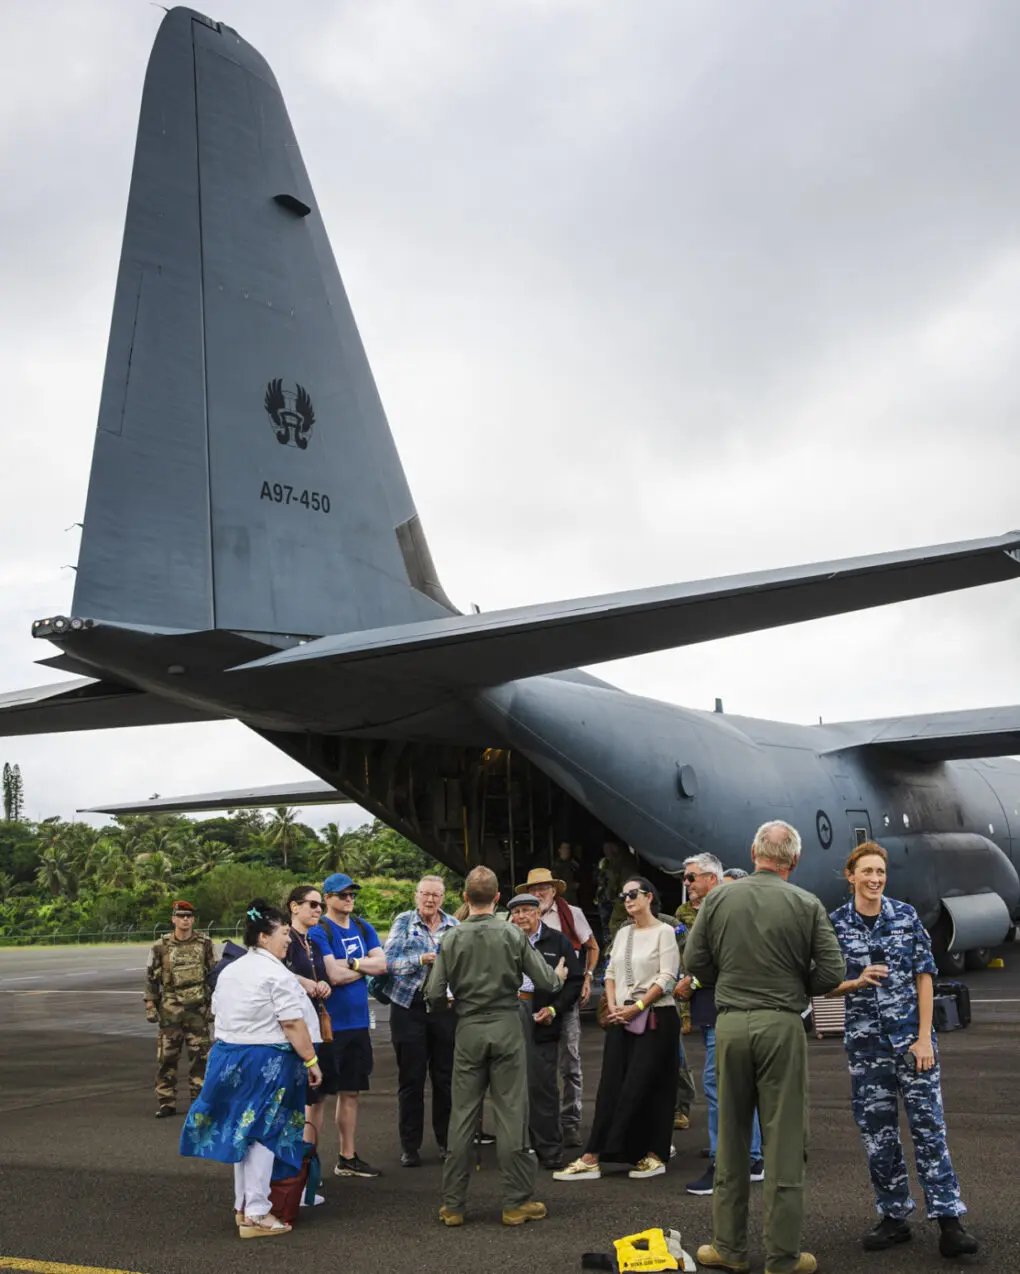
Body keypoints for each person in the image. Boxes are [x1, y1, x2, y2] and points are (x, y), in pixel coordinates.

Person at [684, 821, 846, 1274]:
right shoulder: (806, 903)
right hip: (781, 1023)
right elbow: (832, 973)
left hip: (731, 1022)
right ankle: (782, 1256)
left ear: (754, 850)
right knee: (784, 1140)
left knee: (732, 1135)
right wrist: (795, 983)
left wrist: (730, 979)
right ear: (794, 860)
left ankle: (728, 1248)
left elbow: (694, 962)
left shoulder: (717, 899)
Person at [827, 843, 978, 1260]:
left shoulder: (905, 917)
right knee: (879, 1136)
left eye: (880, 872)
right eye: (867, 871)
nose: (875, 879)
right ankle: (894, 1216)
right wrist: (856, 982)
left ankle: (949, 1221)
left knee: (930, 1130)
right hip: (865, 1047)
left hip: (913, 1044)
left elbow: (925, 976)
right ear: (850, 875)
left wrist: (925, 1037)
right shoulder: (835, 925)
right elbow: (820, 982)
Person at [426, 865, 567, 1227]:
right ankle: (515, 1202)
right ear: (498, 898)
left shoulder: (451, 938)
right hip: (506, 1025)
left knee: (462, 1117)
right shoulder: (512, 934)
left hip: (469, 1027)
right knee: (511, 1115)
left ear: (464, 897)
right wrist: (561, 975)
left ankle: (453, 1205)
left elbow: (432, 993)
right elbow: (547, 981)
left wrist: (455, 1007)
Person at [179, 899, 323, 1239]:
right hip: (265, 1063)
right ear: (263, 937)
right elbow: (292, 1022)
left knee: (243, 1134)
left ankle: (244, 1206)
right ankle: (257, 1211)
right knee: (263, 1135)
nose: (288, 940)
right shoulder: (276, 973)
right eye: (284, 933)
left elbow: (219, 1013)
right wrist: (312, 1061)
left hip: (228, 1057)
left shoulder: (231, 969)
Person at [553, 874, 680, 1183]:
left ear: (649, 896)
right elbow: (608, 972)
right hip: (621, 1017)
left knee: (650, 1085)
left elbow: (668, 977)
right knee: (611, 1085)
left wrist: (638, 1006)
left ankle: (654, 1154)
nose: (627, 899)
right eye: (623, 895)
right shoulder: (623, 933)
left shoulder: (665, 932)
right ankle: (594, 1155)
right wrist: (611, 1006)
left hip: (656, 1018)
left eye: (633, 893)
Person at [675, 854, 763, 1196]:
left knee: (718, 1084)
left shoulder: (722, 912)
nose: (687, 883)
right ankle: (752, 1157)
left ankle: (723, 1163)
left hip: (721, 1008)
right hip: (719, 1008)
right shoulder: (726, 910)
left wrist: (692, 982)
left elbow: (723, 961)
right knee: (734, 1084)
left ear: (713, 879)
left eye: (691, 877)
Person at [308, 872, 387, 1179]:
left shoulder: (362, 926)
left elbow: (382, 965)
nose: (349, 899)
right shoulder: (320, 930)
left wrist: (352, 965)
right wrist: (364, 967)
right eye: (342, 895)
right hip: (330, 1026)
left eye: (352, 893)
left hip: (357, 1024)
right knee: (318, 1097)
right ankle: (308, 1162)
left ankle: (347, 1157)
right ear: (327, 898)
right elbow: (333, 975)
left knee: (351, 1091)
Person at [517, 865, 600, 1149]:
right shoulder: (518, 917)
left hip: (565, 999)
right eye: (534, 889)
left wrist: (587, 977)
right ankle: (538, 1125)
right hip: (530, 1002)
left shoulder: (571, 914)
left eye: (544, 888)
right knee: (535, 1067)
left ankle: (570, 1122)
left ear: (554, 890)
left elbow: (592, 946)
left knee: (570, 1062)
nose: (539, 893)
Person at [384, 875, 459, 1167]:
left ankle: (446, 1142)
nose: (430, 900)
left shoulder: (454, 925)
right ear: (416, 896)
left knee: (445, 1078)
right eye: (425, 894)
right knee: (411, 1079)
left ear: (443, 898)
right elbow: (388, 963)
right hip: (408, 1006)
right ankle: (410, 1146)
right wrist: (421, 960)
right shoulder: (404, 921)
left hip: (443, 1008)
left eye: (436, 895)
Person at [508, 892, 583, 1170]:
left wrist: (554, 1009)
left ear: (539, 912)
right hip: (510, 1012)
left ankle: (549, 1149)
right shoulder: (506, 939)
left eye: (527, 910)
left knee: (542, 1085)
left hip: (542, 1016)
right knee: (511, 1085)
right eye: (516, 913)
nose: (521, 917)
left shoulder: (558, 941)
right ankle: (517, 1147)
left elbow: (573, 981)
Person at [282, 884, 333, 1191]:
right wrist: (303, 982)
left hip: (314, 1025)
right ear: (294, 907)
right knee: (297, 1100)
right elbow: (276, 973)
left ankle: (309, 1158)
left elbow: (318, 975)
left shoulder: (311, 940)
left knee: (317, 1096)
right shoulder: (286, 940)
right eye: (312, 904)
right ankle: (293, 1165)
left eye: (319, 905)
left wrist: (323, 984)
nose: (317, 909)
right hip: (295, 1028)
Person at [144, 900, 215, 1118]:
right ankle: (166, 1101)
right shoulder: (160, 946)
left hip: (197, 1012)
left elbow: (214, 975)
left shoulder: (205, 943)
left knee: (200, 1058)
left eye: (189, 916)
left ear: (193, 919)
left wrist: (215, 1005)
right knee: (166, 1058)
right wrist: (150, 1004)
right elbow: (151, 977)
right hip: (170, 1011)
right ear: (173, 919)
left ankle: (199, 1101)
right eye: (181, 916)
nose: (185, 920)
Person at [671, 895, 698, 1132]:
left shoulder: (668, 923)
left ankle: (682, 1106)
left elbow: (686, 952)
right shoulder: (626, 929)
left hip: (681, 986)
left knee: (677, 1057)